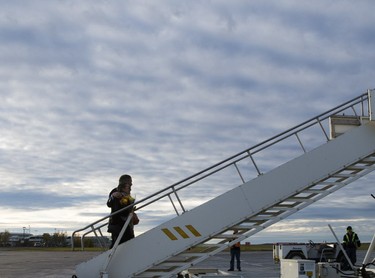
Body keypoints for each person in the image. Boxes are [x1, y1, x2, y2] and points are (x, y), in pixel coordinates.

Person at [107, 174, 137, 249]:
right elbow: (109, 204)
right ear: (125, 182)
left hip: (126, 225)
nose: (131, 184)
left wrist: (133, 212)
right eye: (130, 182)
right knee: (117, 247)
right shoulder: (115, 192)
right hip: (118, 224)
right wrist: (112, 196)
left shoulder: (128, 194)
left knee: (128, 246)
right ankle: (108, 260)